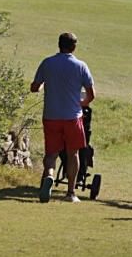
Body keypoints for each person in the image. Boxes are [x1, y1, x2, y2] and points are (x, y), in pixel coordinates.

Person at [31, 32, 95, 203]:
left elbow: (35, 87)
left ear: (59, 44)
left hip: (51, 115)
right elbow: (91, 95)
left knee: (51, 153)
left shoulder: (47, 63)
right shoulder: (81, 66)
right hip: (72, 116)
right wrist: (82, 104)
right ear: (74, 47)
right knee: (73, 153)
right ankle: (71, 192)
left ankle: (49, 176)